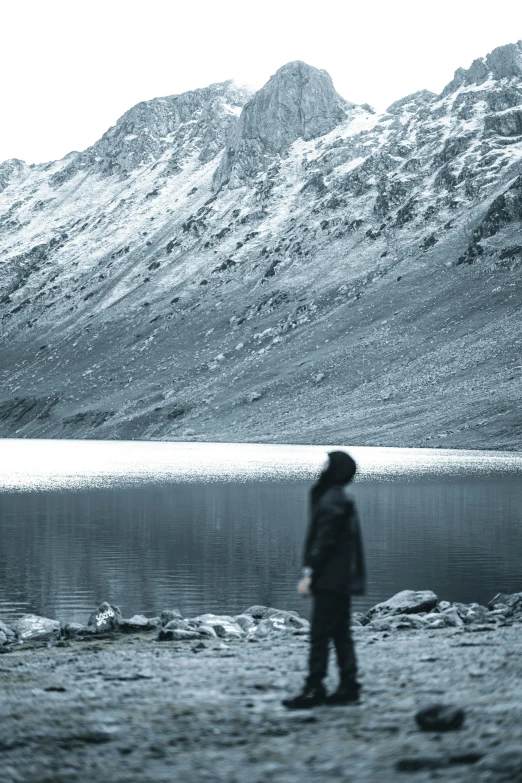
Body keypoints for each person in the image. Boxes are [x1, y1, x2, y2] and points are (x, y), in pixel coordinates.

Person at [282, 450, 366, 709]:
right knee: (341, 633)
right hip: (341, 578)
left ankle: (314, 688)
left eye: (327, 463)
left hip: (331, 578)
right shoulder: (340, 497)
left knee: (320, 634)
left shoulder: (331, 500)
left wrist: (310, 573)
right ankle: (348, 685)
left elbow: (324, 541)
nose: (322, 466)